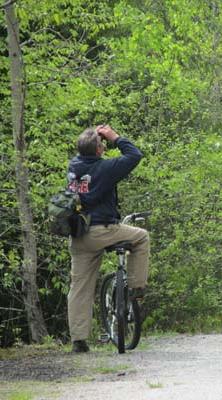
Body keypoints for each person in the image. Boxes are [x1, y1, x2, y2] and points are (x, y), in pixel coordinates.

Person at [67, 125, 149, 353]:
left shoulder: (74, 166)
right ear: (99, 150)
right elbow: (134, 155)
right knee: (141, 237)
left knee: (79, 287)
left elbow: (85, 151)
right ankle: (136, 288)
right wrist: (114, 137)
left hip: (79, 234)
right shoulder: (105, 168)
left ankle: (79, 341)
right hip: (103, 231)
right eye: (101, 145)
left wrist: (91, 136)